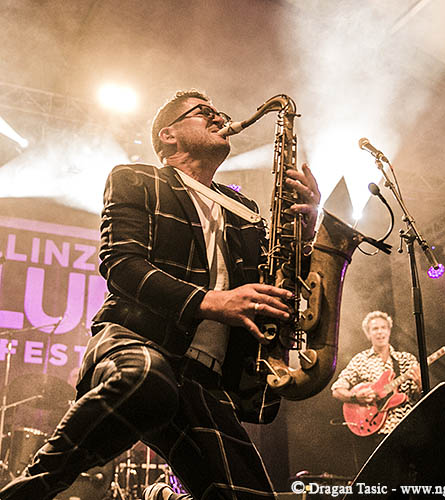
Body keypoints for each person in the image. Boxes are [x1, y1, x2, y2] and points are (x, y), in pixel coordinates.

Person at [0, 89, 320, 500]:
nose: (219, 117)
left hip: (207, 378)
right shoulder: (135, 178)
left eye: (218, 110)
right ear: (168, 135)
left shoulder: (245, 209)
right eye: (204, 112)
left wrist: (304, 233)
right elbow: (122, 265)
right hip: (138, 341)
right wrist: (212, 302)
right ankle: (30, 489)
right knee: (148, 380)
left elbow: (279, 284)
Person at [331, 311, 422, 472]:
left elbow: (417, 396)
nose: (380, 332)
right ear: (368, 334)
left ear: (389, 331)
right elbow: (337, 389)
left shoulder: (406, 359)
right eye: (375, 329)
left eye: (383, 327)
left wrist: (421, 384)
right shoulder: (360, 360)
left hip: (407, 430)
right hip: (376, 432)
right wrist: (355, 397)